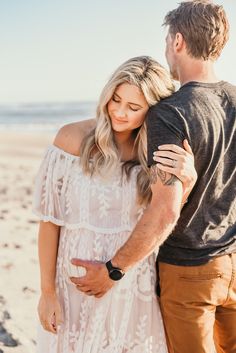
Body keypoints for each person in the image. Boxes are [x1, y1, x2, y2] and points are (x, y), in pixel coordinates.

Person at [72, 1, 236, 353]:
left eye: (166, 42)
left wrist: (113, 270)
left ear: (177, 41)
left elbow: (165, 210)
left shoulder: (170, 112)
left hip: (189, 272)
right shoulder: (234, 100)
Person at [33, 56, 197, 353]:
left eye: (134, 108)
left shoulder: (156, 151)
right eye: (115, 100)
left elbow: (166, 216)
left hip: (131, 284)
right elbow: (49, 220)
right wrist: (47, 292)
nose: (119, 113)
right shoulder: (70, 139)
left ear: (153, 110)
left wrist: (188, 180)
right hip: (74, 286)